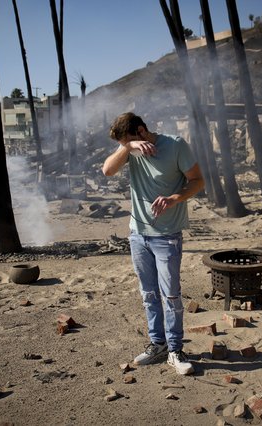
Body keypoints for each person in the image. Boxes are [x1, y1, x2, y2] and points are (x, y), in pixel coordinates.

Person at [102, 112, 205, 375]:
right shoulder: (129, 150)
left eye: (130, 139)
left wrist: (174, 198)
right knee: (148, 294)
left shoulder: (175, 145)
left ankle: (174, 350)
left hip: (167, 235)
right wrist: (127, 146)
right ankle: (157, 345)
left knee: (170, 295)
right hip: (137, 234)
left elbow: (197, 181)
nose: (128, 146)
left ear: (142, 131)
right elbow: (107, 170)